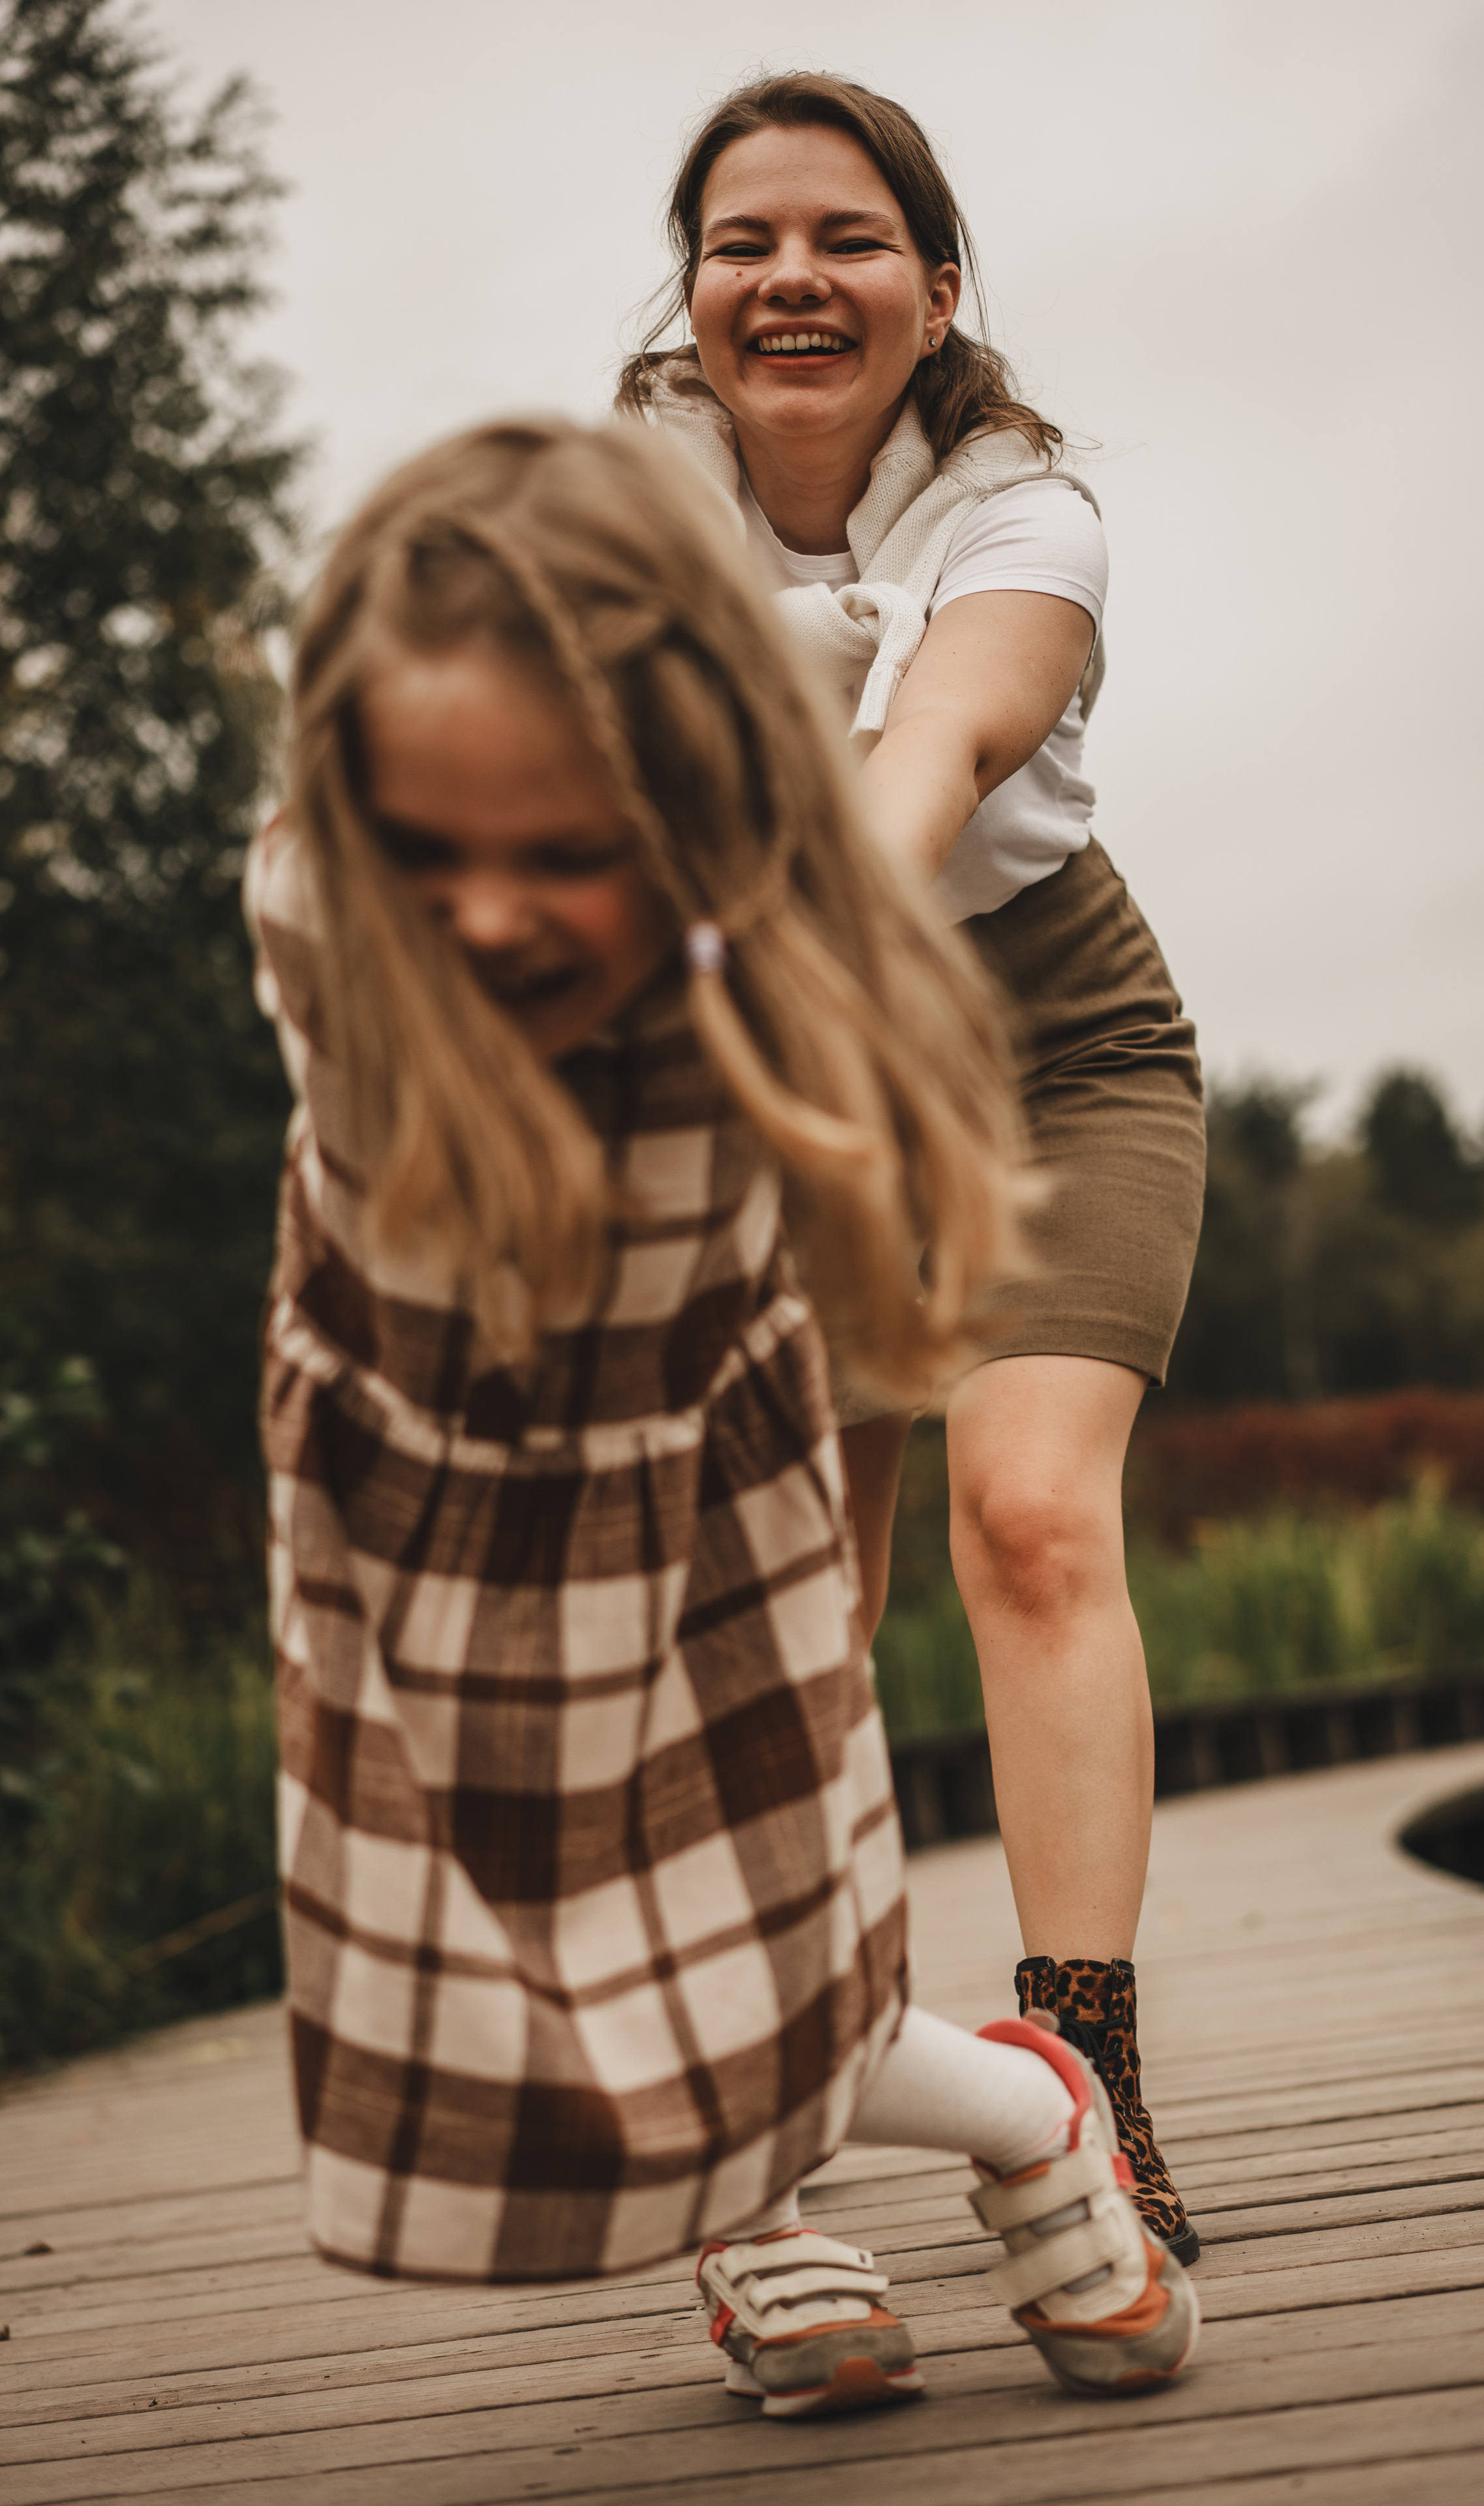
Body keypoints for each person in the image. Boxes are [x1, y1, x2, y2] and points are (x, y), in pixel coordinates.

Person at [246, 416, 1199, 2418]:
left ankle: (1032, 2112)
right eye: (435, 853)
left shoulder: (756, 972)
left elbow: (912, 758)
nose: (489, 916)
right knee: (533, 1992)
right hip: (422, 1505)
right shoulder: (326, 910)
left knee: (743, 1929)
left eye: (561, 856)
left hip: (704, 1450)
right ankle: (823, 2184)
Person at [618, 74, 1208, 2263]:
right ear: (694, 292)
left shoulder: (1025, 512)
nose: (793, 277)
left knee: (1033, 1520)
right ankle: (770, 2141)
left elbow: (935, 746)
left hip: (1048, 1046)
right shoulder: (616, 521)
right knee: (796, 1606)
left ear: (936, 291)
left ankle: (1090, 2091)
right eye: (743, 240)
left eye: (849, 239)